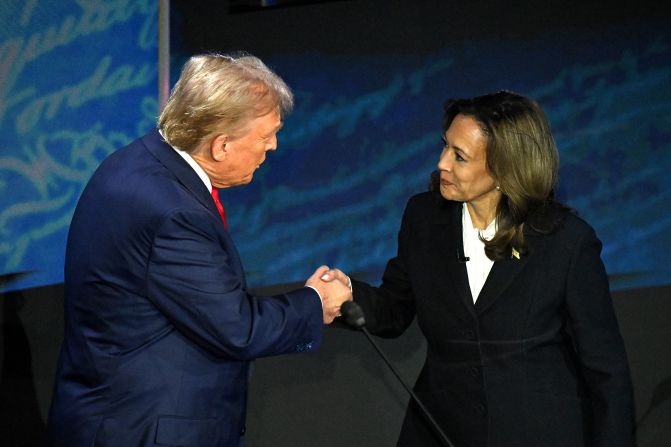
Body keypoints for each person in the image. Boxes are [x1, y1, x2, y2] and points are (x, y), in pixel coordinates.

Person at [47, 53, 352, 447]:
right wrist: (315, 301)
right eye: (265, 137)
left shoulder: (138, 161)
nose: (273, 147)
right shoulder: (173, 213)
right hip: (146, 429)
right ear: (221, 145)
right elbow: (237, 329)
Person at [324, 91, 635, 447]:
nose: (442, 163)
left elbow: (606, 370)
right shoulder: (424, 218)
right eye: (444, 148)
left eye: (460, 156)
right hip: (441, 430)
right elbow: (394, 310)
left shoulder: (566, 242)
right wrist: (347, 294)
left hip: (537, 432)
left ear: (505, 168)